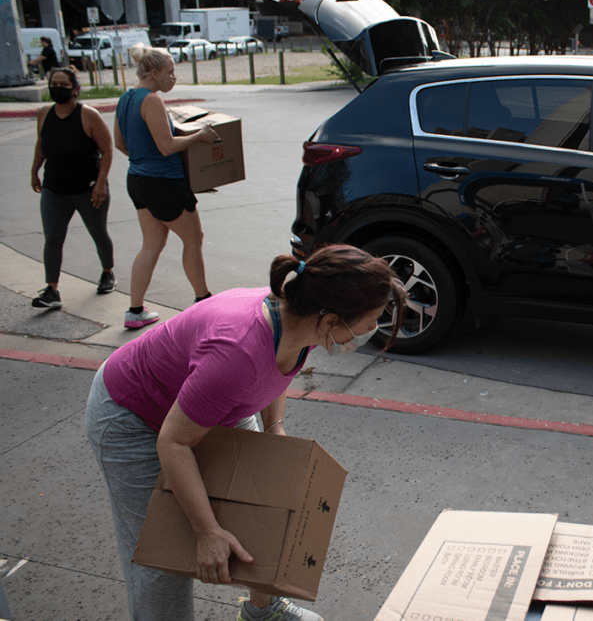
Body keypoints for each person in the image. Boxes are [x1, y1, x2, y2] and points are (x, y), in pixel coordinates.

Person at [85, 244, 406, 621]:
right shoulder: (237, 352)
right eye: (371, 321)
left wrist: (275, 428)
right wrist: (206, 531)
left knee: (272, 503)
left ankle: (263, 610)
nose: (373, 329)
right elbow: (174, 442)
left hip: (212, 406)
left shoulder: (298, 321)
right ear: (331, 320)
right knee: (163, 557)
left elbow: (277, 370)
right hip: (134, 416)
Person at [114, 43, 219, 329]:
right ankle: (204, 302)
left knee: (152, 244)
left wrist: (143, 161)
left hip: (137, 180)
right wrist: (201, 136)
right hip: (163, 183)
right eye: (170, 72)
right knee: (193, 239)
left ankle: (135, 311)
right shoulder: (151, 100)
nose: (174, 77)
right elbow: (166, 146)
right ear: (155, 73)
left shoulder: (125, 98)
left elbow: (119, 143)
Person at [29, 66, 116, 309]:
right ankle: (51, 290)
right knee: (53, 237)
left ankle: (108, 272)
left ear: (75, 90)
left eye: (63, 85)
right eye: (53, 83)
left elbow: (107, 150)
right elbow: (42, 144)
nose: (57, 88)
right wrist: (34, 170)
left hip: (88, 188)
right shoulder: (44, 113)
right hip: (54, 188)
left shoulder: (88, 115)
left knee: (98, 233)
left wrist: (100, 184)